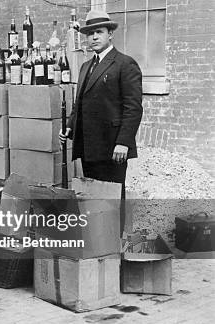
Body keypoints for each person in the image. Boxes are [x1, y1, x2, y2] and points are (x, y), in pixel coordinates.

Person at [59, 10, 142, 194]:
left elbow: (133, 108)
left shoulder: (124, 64)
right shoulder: (85, 67)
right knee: (93, 199)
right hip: (88, 147)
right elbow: (79, 103)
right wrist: (70, 127)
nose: (94, 37)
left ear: (110, 34)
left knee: (111, 200)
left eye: (99, 32)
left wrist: (123, 142)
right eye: (90, 33)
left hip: (112, 148)